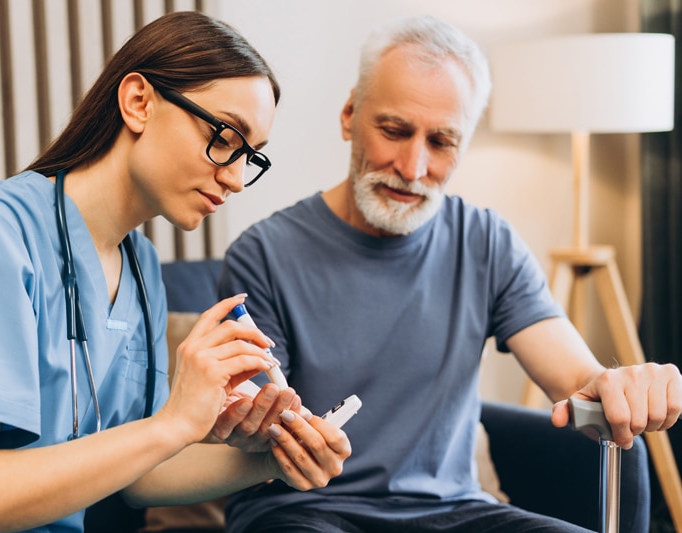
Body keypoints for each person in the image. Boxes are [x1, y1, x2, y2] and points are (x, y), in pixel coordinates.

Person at [0, 11, 350, 533]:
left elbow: (138, 477)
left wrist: (270, 461)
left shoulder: (141, 265)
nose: (237, 179)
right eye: (225, 136)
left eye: (251, 157)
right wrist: (173, 423)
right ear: (139, 102)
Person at [215, 14, 682, 533]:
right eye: (394, 131)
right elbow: (252, 425)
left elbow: (576, 380)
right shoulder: (261, 254)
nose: (413, 167)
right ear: (349, 115)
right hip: (302, 512)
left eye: (441, 142)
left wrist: (620, 386)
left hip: (456, 514)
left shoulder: (487, 242)